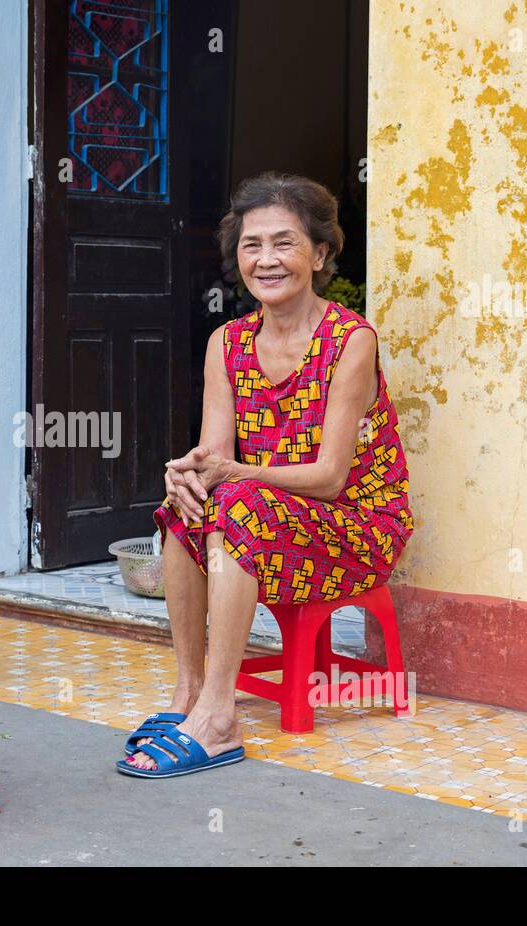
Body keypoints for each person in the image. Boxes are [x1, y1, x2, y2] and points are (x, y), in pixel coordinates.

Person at [119, 172, 415, 778]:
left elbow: (332, 476)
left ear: (321, 253)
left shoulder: (350, 341)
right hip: (269, 512)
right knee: (188, 505)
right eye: (252, 245)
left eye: (285, 242)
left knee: (238, 503)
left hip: (355, 525)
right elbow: (215, 457)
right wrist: (187, 474)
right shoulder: (226, 343)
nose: (266, 259)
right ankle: (190, 693)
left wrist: (230, 474)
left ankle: (222, 718)